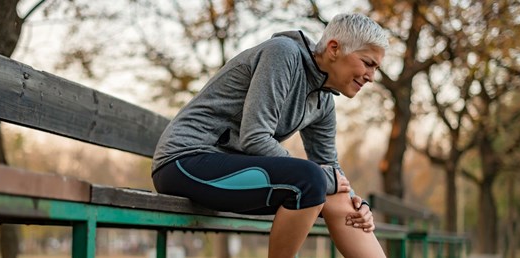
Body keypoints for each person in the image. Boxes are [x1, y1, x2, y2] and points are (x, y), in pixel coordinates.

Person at [152, 13, 388, 258]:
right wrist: (324, 178)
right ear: (334, 48)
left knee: (334, 193)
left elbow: (330, 166)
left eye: (376, 68)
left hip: (233, 172)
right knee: (311, 179)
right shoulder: (282, 53)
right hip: (184, 162)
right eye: (367, 63)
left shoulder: (323, 100)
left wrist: (357, 204)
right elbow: (254, 137)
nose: (371, 76)